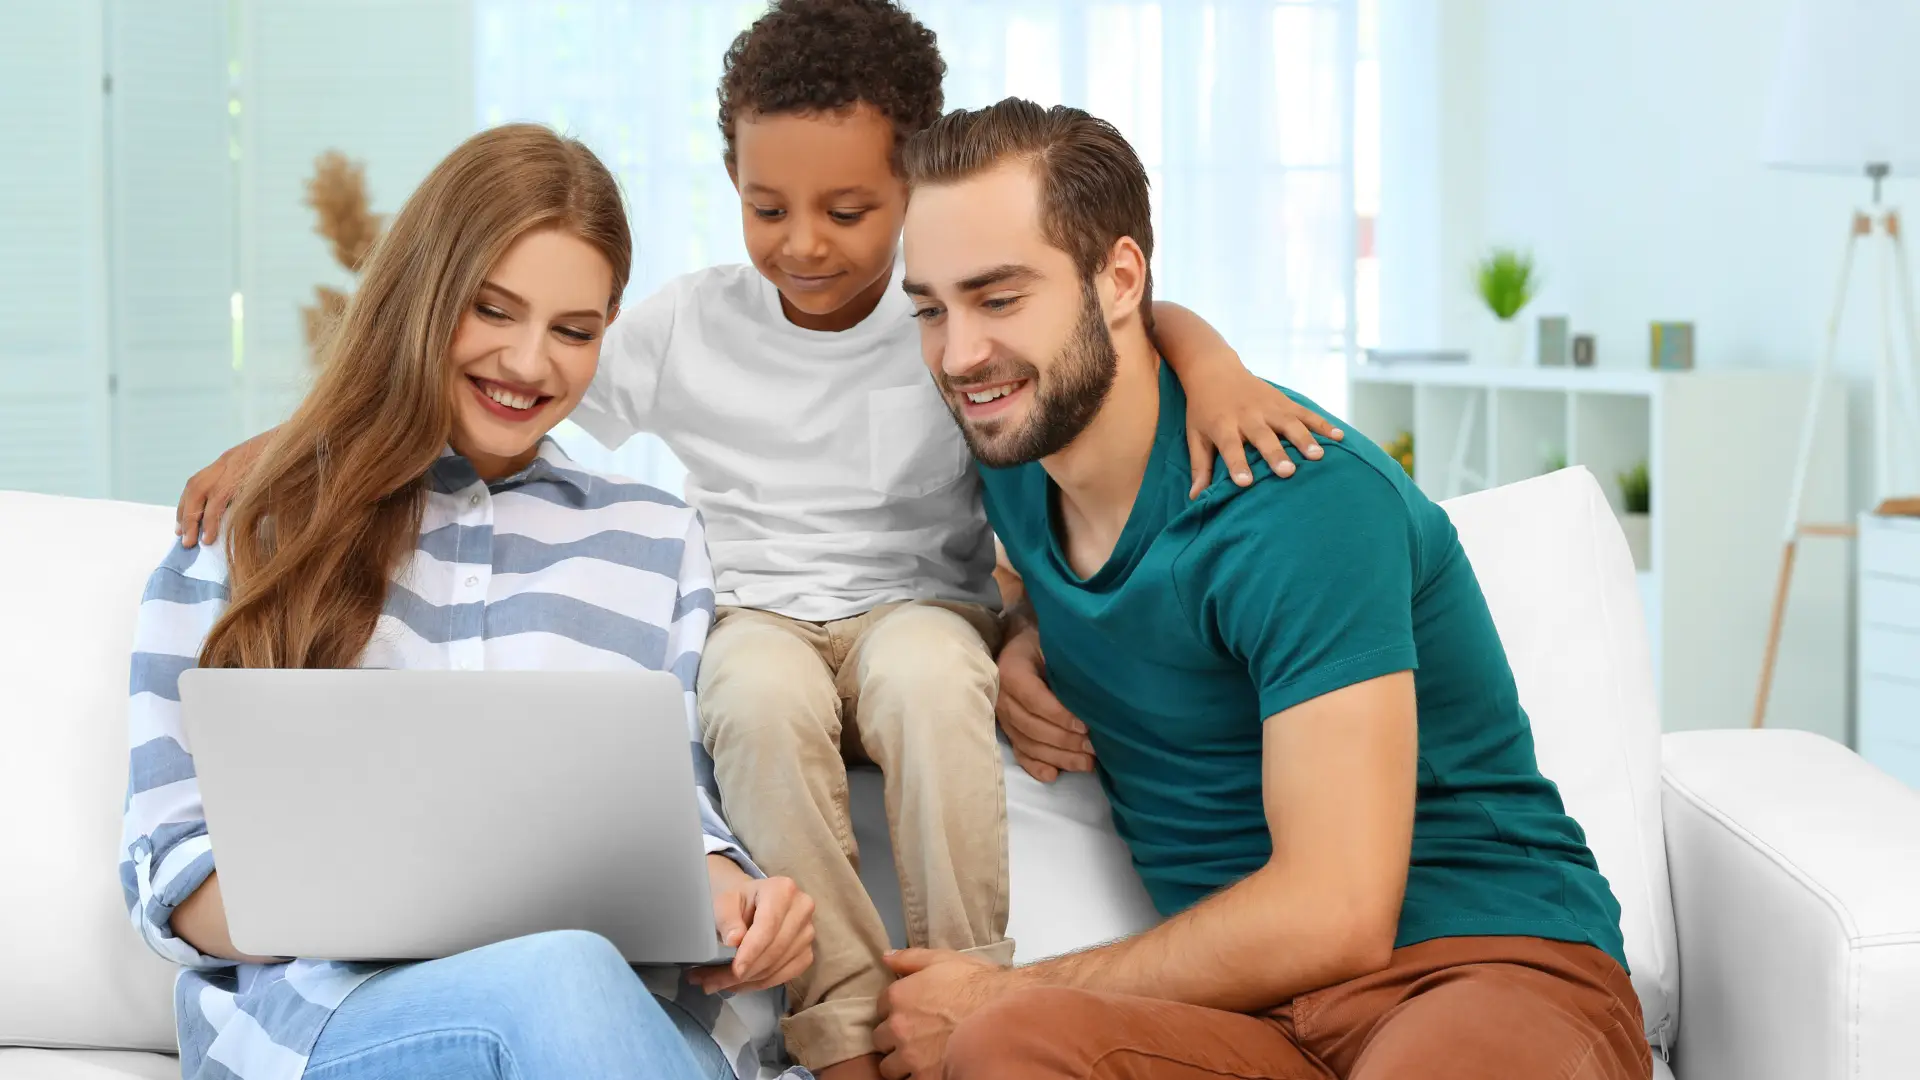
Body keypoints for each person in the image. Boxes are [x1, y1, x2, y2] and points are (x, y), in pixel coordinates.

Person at [166, 5, 1343, 1078]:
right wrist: (296, 444)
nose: (806, 245)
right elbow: (488, 375)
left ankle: (967, 997)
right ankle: (838, 1034)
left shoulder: (939, 323)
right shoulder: (684, 330)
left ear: (914, 197)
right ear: (730, 183)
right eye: (768, 209)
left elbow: (1097, 329)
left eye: (848, 211)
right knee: (754, 694)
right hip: (763, 617)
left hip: (915, 611)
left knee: (934, 681)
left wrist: (1210, 374)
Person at [872, 99, 1652, 1080]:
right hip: (1250, 1021)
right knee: (1004, 1051)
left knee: (1001, 1015)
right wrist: (1017, 630)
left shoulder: (1294, 503)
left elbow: (1336, 914)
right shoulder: (1015, 456)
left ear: (1118, 280)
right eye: (931, 309)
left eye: (999, 297)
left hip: (1478, 973)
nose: (958, 354)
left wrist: (1000, 985)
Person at [119, 124, 815, 1080]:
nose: (531, 364)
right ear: (424, 295)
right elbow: (167, 865)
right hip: (345, 1021)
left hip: (627, 1022)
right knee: (559, 974)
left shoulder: (657, 541)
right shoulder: (254, 524)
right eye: (493, 310)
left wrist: (738, 899)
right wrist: (384, 893)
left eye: (574, 331)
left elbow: (677, 816)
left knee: (584, 984)